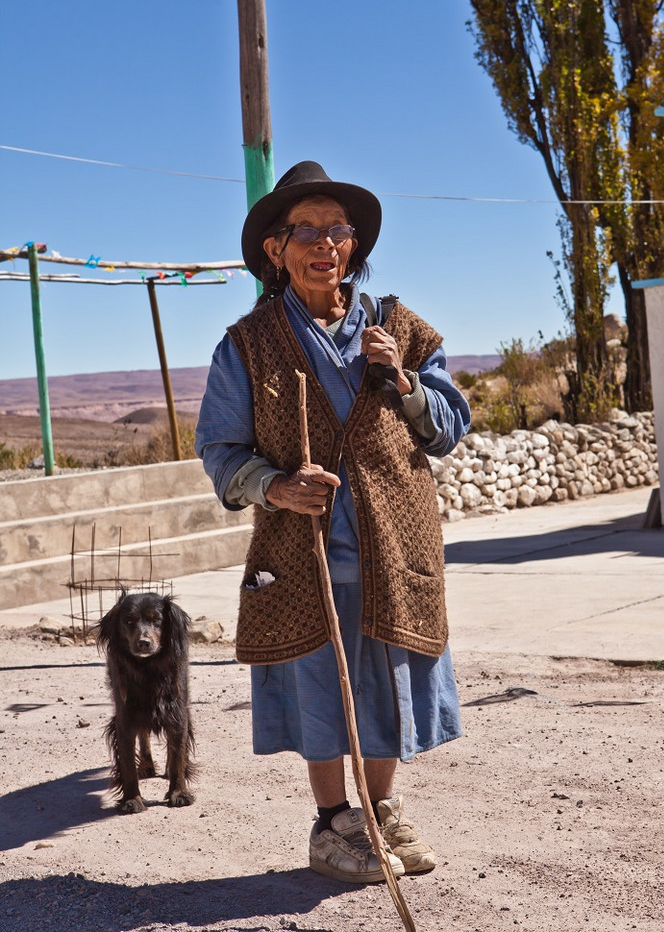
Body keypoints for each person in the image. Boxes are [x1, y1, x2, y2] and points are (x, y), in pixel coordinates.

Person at [195, 161, 470, 885]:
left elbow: (448, 428)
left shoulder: (401, 331)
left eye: (337, 229)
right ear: (274, 253)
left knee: (382, 681)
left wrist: (405, 382)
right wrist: (278, 486)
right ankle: (332, 824)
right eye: (306, 231)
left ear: (354, 244)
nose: (325, 243)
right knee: (320, 686)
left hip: (395, 547)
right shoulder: (246, 345)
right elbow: (220, 453)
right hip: (303, 554)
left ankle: (382, 813)